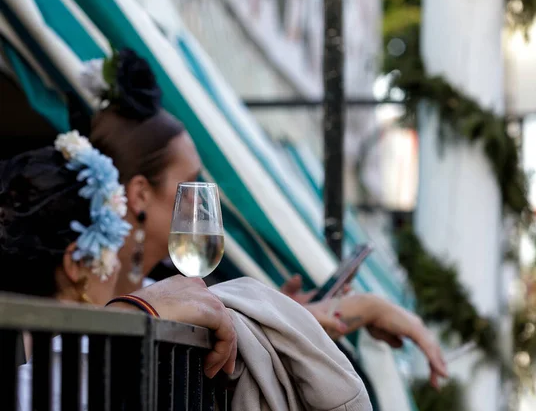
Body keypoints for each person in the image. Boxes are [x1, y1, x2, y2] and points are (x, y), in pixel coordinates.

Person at [83, 48, 447, 386]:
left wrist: (283, 313)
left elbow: (228, 324)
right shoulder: (84, 290)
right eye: (190, 182)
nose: (200, 201)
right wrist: (359, 308)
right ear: (141, 193)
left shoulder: (146, 287)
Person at [0, 132, 237, 411]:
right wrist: (135, 314)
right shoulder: (59, 371)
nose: (116, 268)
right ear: (75, 264)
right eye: (111, 246)